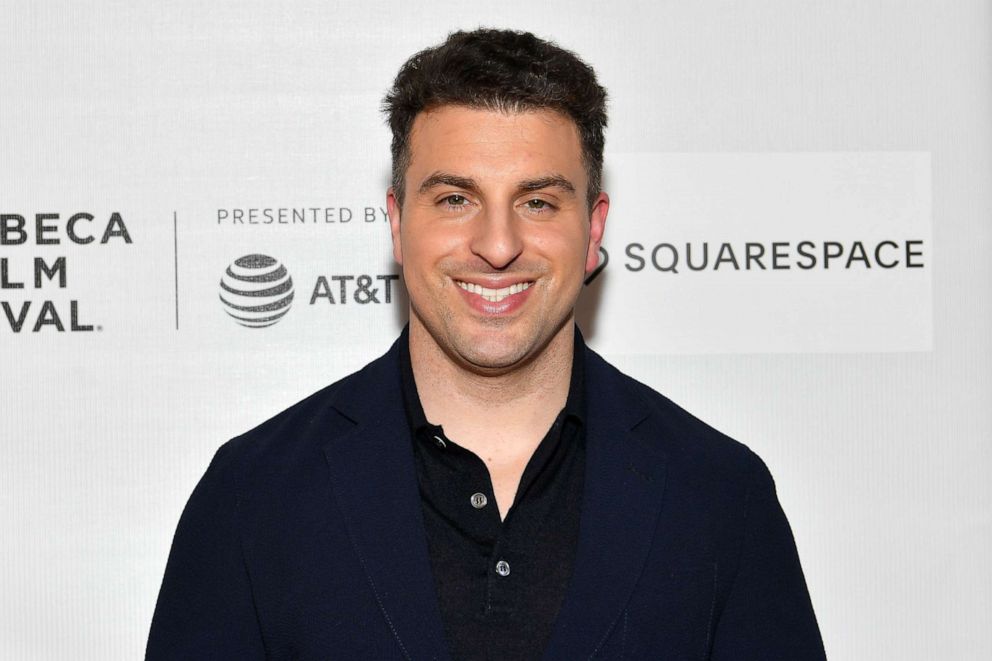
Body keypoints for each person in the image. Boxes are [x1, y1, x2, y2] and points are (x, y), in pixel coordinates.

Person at [147, 28, 826, 660]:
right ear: (396, 221)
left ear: (592, 231)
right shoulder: (254, 496)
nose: (498, 246)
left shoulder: (718, 496)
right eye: (454, 199)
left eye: (538, 201)